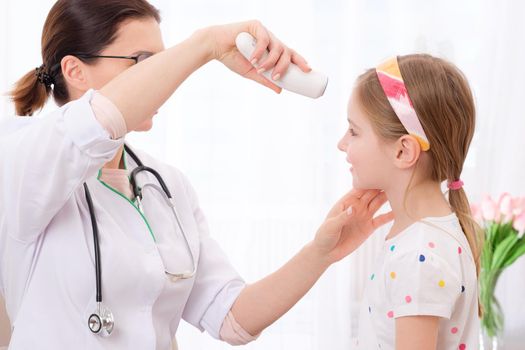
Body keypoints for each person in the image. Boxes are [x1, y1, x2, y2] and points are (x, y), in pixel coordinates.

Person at [0, 1, 393, 349]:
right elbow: (96, 123)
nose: (164, 82)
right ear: (74, 70)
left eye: (163, 60)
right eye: (142, 62)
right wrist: (207, 44)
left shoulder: (166, 185)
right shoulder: (24, 159)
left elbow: (232, 318)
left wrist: (320, 252)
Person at [338, 54, 481, 349]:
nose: (342, 143)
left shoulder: (418, 256)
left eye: (354, 131)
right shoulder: (424, 239)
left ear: (403, 152)